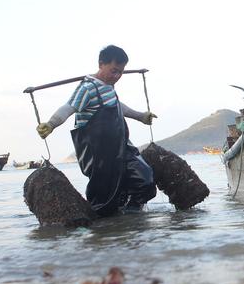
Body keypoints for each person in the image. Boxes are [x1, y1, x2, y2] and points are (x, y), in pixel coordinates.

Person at [36, 45, 157, 215]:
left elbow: (116, 105)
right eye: (114, 71)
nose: (117, 76)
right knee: (104, 201)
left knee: (145, 181)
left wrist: (140, 116)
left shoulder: (108, 86)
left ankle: (130, 221)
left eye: (121, 72)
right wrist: (51, 124)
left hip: (121, 148)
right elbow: (69, 107)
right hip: (99, 156)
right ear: (101, 64)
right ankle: (102, 229)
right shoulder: (87, 88)